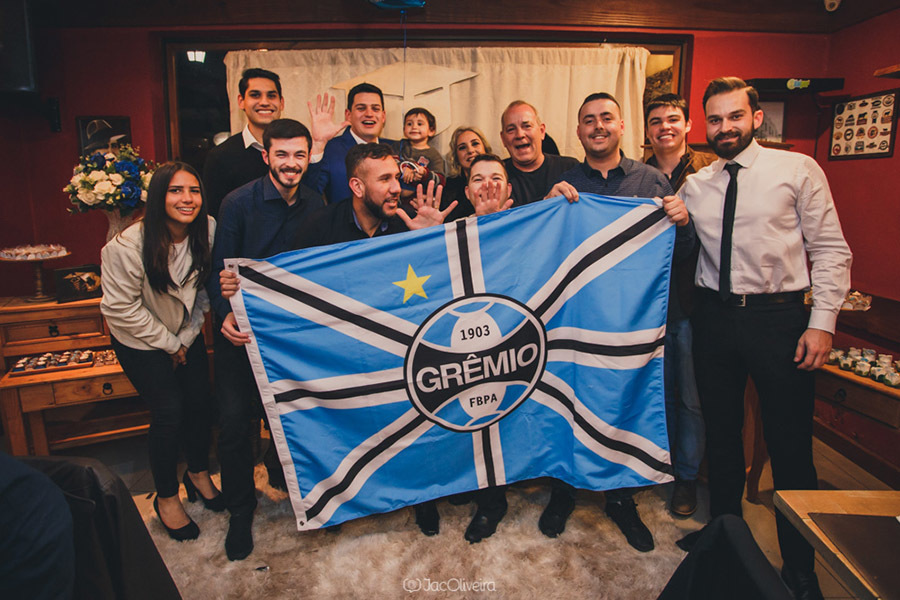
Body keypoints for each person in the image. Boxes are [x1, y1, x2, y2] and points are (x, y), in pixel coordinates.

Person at [680, 77, 852, 600]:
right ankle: (723, 538)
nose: (725, 127)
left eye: (735, 116)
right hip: (714, 320)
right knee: (722, 437)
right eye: (715, 119)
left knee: (790, 445)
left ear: (756, 118)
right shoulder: (696, 185)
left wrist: (822, 321)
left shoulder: (797, 169)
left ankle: (800, 567)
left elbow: (830, 249)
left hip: (779, 319)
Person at [542, 92, 692, 552]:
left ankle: (621, 498)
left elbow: (679, 255)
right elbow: (541, 254)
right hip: (575, 320)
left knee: (626, 402)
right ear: (578, 131)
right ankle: (564, 489)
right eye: (588, 120)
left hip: (632, 319)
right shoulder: (564, 183)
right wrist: (546, 210)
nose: (598, 126)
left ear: (622, 126)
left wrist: (682, 222)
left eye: (606, 117)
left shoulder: (652, 180)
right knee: (568, 401)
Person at [208, 118, 325, 561]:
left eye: (299, 155)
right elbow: (218, 271)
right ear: (266, 157)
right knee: (236, 424)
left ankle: (298, 488)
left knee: (298, 414)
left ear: (308, 158)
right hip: (241, 331)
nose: (291, 163)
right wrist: (223, 315)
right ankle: (241, 510)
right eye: (282, 154)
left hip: (291, 334)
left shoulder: (316, 202)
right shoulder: (237, 203)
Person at [100, 161, 220, 542]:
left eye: (194, 190)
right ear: (157, 197)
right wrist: (169, 344)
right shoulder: (125, 247)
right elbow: (120, 310)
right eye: (176, 190)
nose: (187, 199)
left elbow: (203, 290)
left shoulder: (208, 229)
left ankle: (198, 473)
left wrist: (185, 337)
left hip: (185, 331)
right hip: (137, 338)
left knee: (200, 402)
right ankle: (166, 497)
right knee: (169, 410)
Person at [644, 93, 717, 517]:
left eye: (673, 119)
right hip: (643, 307)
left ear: (688, 124)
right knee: (657, 395)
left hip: (691, 303)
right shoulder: (636, 176)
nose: (664, 127)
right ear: (646, 130)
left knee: (690, 398)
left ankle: (686, 477)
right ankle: (659, 468)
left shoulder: (712, 170)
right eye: (656, 121)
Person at [203, 68, 285, 218]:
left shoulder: (294, 153)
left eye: (271, 96)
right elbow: (214, 216)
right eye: (255, 95)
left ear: (281, 103)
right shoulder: (220, 156)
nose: (264, 102)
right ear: (241, 101)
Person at [305, 83, 395, 204]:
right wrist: (318, 144)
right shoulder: (329, 149)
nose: (369, 114)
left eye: (375, 109)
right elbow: (309, 195)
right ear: (348, 115)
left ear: (383, 116)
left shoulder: (397, 148)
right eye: (361, 108)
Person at [500, 100, 579, 205]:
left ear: (542, 131)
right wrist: (546, 203)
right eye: (511, 129)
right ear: (503, 139)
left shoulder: (570, 168)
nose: (519, 135)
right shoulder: (497, 176)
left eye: (527, 126)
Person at [391, 107, 445, 200]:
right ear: (404, 130)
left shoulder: (434, 155)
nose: (414, 127)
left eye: (420, 124)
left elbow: (440, 181)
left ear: (431, 131)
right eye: (409, 124)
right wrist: (403, 167)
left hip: (418, 200)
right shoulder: (399, 145)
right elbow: (389, 162)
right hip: (394, 197)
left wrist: (425, 174)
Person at [441, 126, 493, 220]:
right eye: (462, 147)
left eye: (475, 143)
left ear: (485, 149)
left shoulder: (500, 177)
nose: (470, 151)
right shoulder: (449, 188)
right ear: (456, 157)